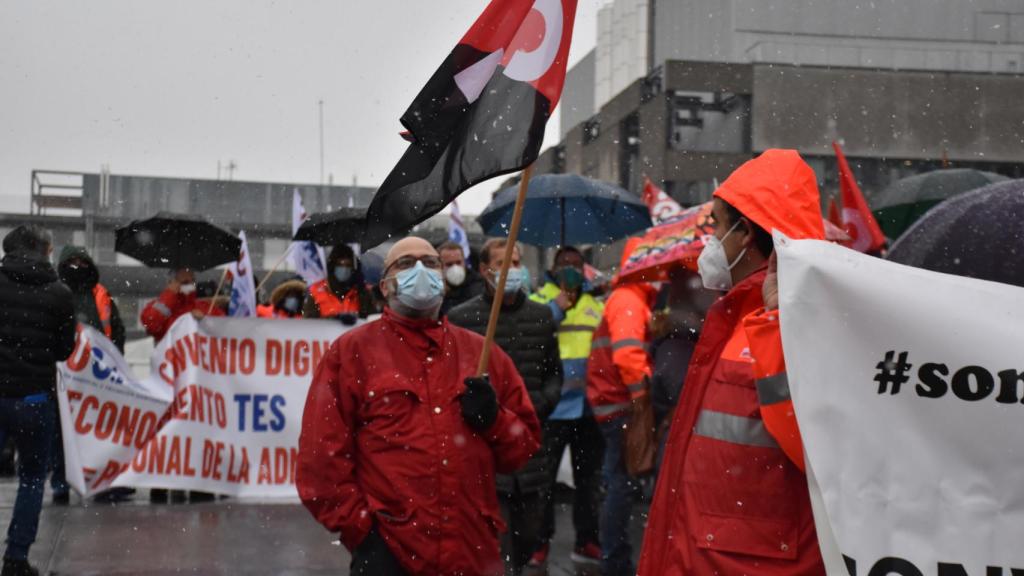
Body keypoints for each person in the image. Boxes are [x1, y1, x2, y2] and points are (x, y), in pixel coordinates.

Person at [297, 236, 541, 576]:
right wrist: (363, 533)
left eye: (431, 262)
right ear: (385, 286)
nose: (421, 270)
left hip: (471, 552)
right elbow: (320, 461)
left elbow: (523, 448)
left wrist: (494, 420)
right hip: (390, 552)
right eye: (406, 264)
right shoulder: (351, 354)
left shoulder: (482, 355)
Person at [637, 149, 827, 575]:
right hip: (716, 556)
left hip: (749, 562)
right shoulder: (737, 314)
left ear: (744, 234)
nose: (711, 240)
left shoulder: (799, 320)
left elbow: (817, 447)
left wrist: (779, 327)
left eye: (717, 225)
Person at [448, 239, 562, 576]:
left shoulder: (541, 318)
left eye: (516, 263)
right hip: (485, 450)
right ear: (484, 271)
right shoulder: (462, 318)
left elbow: (555, 373)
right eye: (502, 264)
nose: (512, 271)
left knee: (529, 536)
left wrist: (544, 401)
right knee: (495, 548)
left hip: (531, 449)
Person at [0, 226, 76, 576]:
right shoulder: (59, 293)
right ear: (44, 250)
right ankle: (16, 557)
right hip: (34, 399)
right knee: (32, 478)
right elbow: (63, 350)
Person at [527, 246, 605, 572]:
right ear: (553, 268)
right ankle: (539, 541)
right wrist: (556, 310)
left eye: (576, 264)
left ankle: (586, 540)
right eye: (564, 264)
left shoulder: (595, 305)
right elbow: (529, 337)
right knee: (542, 482)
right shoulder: (538, 301)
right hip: (553, 410)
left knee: (589, 480)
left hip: (587, 409)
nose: (570, 269)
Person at [585, 245, 659, 576]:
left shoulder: (629, 297)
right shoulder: (629, 299)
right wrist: (642, 400)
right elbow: (628, 356)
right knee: (622, 484)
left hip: (612, 403)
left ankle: (614, 558)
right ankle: (615, 562)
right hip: (622, 407)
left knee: (620, 482)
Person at [57, 245, 132, 504]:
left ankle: (102, 481)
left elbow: (117, 329)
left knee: (100, 431)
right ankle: (61, 483)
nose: (77, 266)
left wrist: (113, 358)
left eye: (81, 261)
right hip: (66, 376)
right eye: (72, 261)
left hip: (98, 377)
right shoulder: (58, 293)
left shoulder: (101, 294)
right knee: (63, 432)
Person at [140, 268, 223, 343]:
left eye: (192, 281)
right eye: (185, 282)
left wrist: (204, 320)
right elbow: (151, 324)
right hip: (171, 357)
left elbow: (224, 330)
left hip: (200, 357)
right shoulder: (160, 304)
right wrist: (170, 294)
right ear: (171, 283)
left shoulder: (205, 307)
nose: (190, 285)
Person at [303, 244, 375, 323]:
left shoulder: (362, 292)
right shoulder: (317, 292)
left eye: (348, 265)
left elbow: (371, 322)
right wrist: (334, 320)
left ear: (353, 269)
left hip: (355, 334)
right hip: (326, 335)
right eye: (340, 265)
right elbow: (308, 323)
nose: (344, 269)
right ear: (332, 267)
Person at [439, 241, 485, 316]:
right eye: (449, 264)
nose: (455, 267)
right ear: (440, 266)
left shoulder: (479, 285)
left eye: (458, 262)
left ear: (464, 262)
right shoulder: (436, 290)